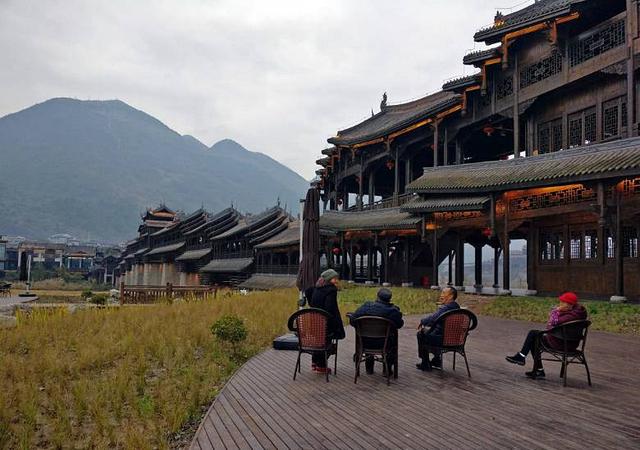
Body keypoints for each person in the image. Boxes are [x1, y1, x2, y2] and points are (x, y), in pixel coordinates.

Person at [506, 292, 587, 379]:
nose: (560, 304)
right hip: (571, 343)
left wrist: (556, 311)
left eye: (562, 302)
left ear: (569, 305)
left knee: (533, 335)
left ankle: (525, 359)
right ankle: (535, 368)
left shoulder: (569, 316)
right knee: (535, 336)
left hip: (561, 343)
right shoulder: (579, 313)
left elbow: (551, 325)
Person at [349, 288, 404, 374]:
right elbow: (399, 324)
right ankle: (387, 369)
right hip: (384, 343)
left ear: (377, 297)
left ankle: (369, 368)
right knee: (393, 342)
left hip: (364, 342)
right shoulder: (393, 311)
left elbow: (353, 320)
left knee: (369, 335)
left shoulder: (366, 306)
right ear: (390, 299)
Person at [308, 268, 345, 374]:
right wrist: (335, 323)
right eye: (335, 278)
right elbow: (330, 308)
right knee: (328, 339)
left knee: (318, 340)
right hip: (325, 322)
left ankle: (315, 362)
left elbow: (309, 296)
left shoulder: (316, 288)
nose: (337, 280)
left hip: (314, 322)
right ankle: (321, 365)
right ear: (329, 279)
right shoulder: (331, 290)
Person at [416, 286, 460, 371]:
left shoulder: (446, 309)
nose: (441, 295)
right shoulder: (457, 308)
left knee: (421, 334)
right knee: (430, 332)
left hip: (443, 340)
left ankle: (425, 363)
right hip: (456, 340)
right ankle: (436, 360)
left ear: (451, 296)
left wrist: (422, 321)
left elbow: (432, 319)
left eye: (443, 293)